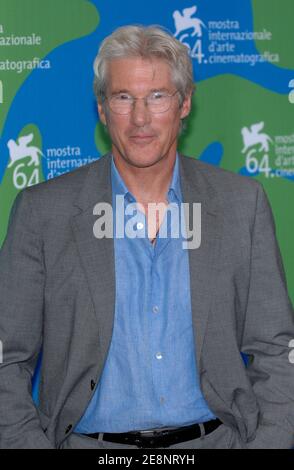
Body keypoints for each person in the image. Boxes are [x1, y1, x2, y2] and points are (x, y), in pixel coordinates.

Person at [0, 25, 293, 450]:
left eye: (157, 96)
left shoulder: (240, 204)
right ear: (102, 108)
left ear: (184, 103)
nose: (140, 118)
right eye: (123, 98)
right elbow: (7, 357)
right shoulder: (43, 213)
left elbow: (277, 349)